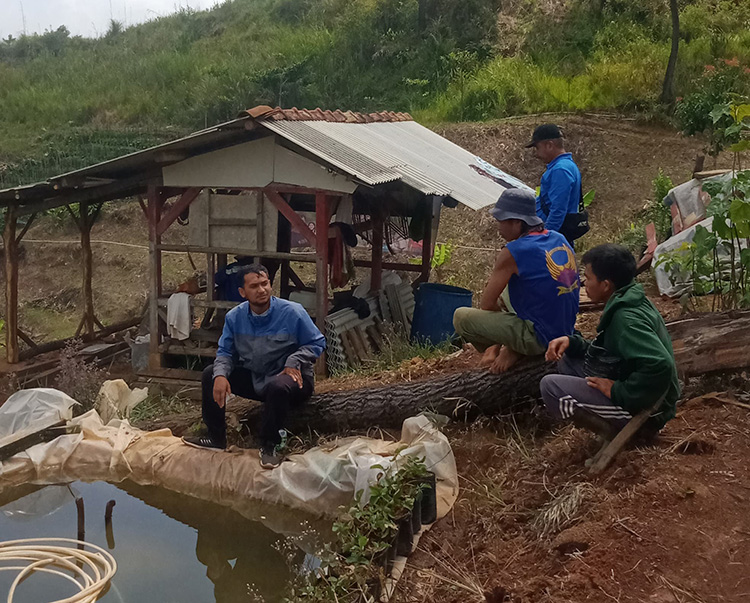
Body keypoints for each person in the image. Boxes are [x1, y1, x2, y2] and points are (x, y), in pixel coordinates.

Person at [182, 263, 326, 469]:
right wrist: (221, 375)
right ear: (242, 292)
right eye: (254, 286)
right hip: (257, 378)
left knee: (278, 386)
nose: (261, 290)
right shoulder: (235, 318)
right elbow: (225, 353)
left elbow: (317, 343)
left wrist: (294, 361)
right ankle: (215, 438)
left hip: (293, 382)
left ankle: (269, 446)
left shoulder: (293, 312)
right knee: (210, 374)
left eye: (265, 283)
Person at [541, 244, 679, 440]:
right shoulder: (626, 299)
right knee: (567, 359)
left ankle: (618, 432)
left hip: (645, 413)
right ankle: (611, 420)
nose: (583, 283)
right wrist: (572, 343)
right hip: (634, 386)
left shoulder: (626, 319)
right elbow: (609, 350)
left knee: (550, 387)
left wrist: (617, 391)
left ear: (606, 285)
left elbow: (660, 364)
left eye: (588, 278)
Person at [453, 188, 580, 374]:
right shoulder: (558, 238)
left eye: (501, 222)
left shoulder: (514, 251)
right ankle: (508, 345)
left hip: (540, 338)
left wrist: (505, 337)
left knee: (461, 317)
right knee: (506, 288)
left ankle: (514, 348)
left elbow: (487, 304)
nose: (498, 228)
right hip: (565, 330)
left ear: (516, 223)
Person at [526, 124, 584, 246]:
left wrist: (545, 239)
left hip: (554, 239)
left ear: (549, 145)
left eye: (537, 148)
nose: (537, 153)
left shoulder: (560, 170)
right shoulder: (567, 166)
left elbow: (558, 209)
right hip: (559, 236)